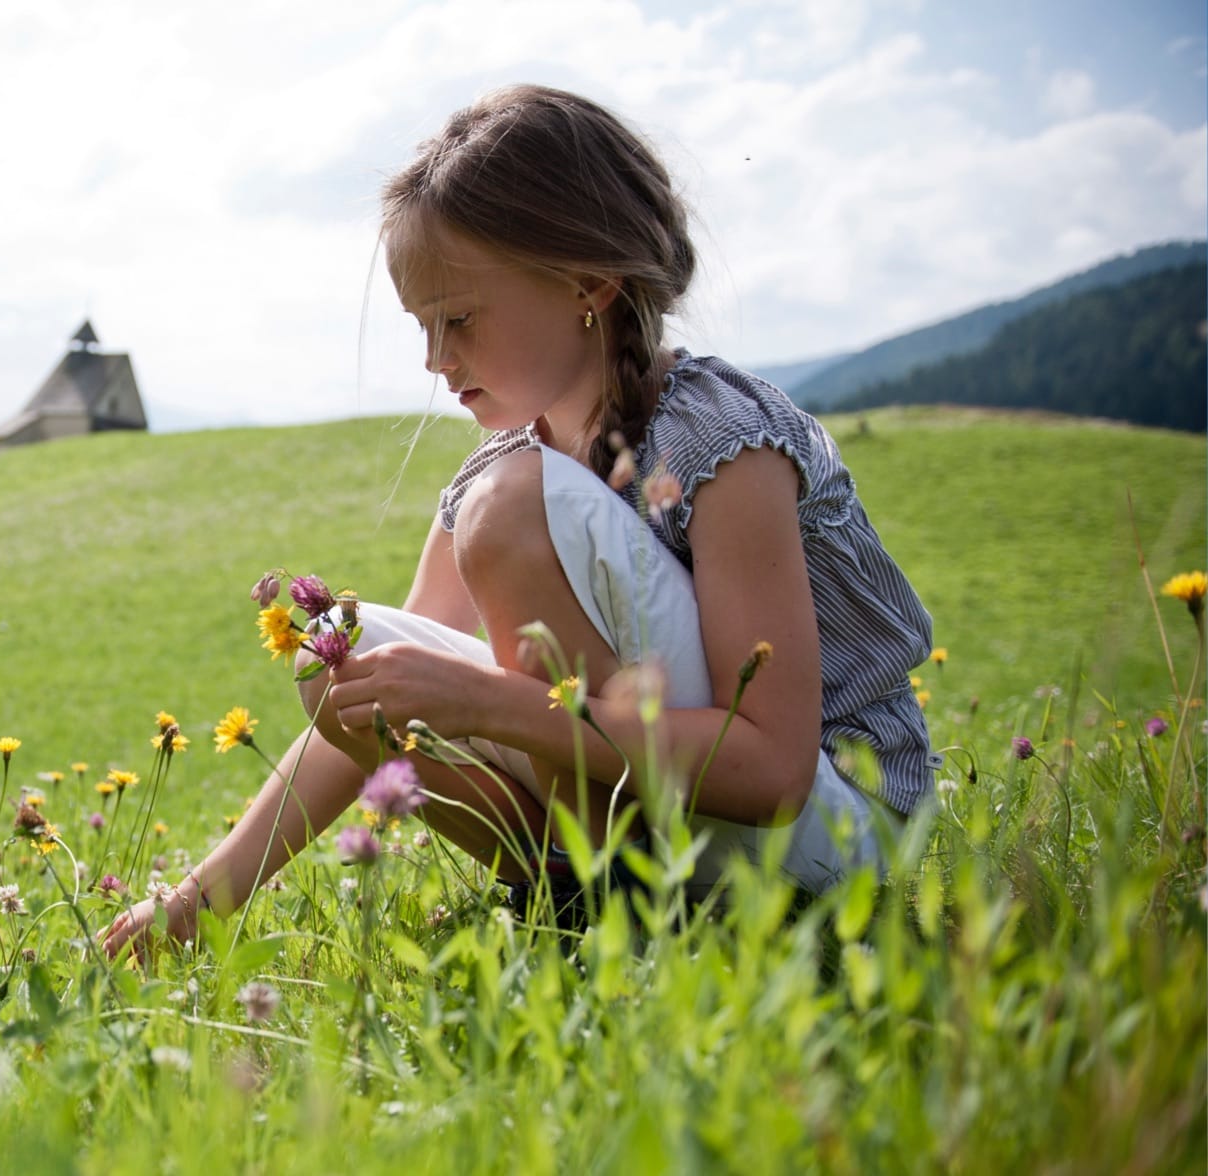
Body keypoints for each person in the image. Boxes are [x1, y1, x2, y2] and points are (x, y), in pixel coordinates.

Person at [104, 84, 934, 957]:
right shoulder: (499, 474)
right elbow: (375, 715)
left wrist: (502, 705)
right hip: (670, 831)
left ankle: (613, 906)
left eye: (457, 318)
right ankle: (592, 905)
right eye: (421, 326)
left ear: (587, 280)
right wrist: (201, 897)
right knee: (341, 667)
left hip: (839, 834)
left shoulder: (721, 442)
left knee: (502, 518)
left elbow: (771, 773)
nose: (435, 360)